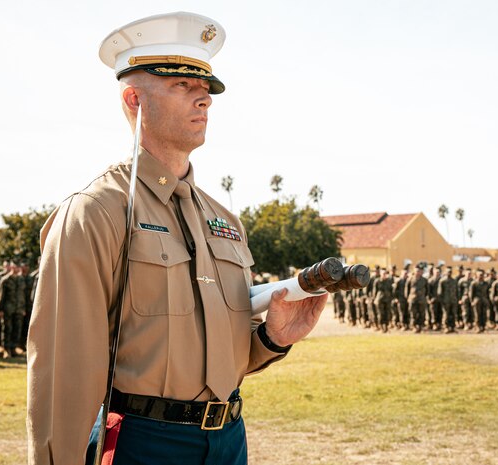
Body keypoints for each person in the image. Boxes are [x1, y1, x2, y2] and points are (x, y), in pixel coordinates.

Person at [26, 12, 328, 465]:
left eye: (205, 89)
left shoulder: (223, 219)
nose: (203, 98)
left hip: (228, 439)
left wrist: (272, 338)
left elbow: (216, 357)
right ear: (134, 99)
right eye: (181, 85)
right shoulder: (97, 212)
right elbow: (63, 374)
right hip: (143, 443)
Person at [405, 263, 429, 333]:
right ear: (414, 271)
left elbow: (427, 290)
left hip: (421, 299)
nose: (419, 272)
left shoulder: (424, 280)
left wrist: (425, 297)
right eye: (417, 271)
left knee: (422, 314)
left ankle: (420, 326)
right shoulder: (410, 279)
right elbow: (407, 289)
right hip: (413, 299)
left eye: (420, 271)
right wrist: (408, 298)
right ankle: (414, 327)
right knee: (413, 314)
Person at [437, 266, 458, 333]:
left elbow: (457, 291)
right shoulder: (442, 281)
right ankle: (446, 327)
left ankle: (452, 327)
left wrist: (457, 299)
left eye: (450, 272)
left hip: (453, 300)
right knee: (446, 314)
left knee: (453, 314)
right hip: (446, 301)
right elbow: (439, 292)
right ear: (446, 272)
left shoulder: (454, 281)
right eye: (448, 272)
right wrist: (441, 301)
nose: (449, 273)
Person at [469, 269, 490, 333]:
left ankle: (483, 327)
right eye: (480, 275)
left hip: (484, 300)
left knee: (484, 314)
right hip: (477, 301)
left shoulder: (486, 283)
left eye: (482, 275)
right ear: (477, 275)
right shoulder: (474, 283)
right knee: (477, 315)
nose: (481, 276)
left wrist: (487, 300)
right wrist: (472, 301)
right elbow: (471, 293)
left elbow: (488, 292)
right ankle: (478, 327)